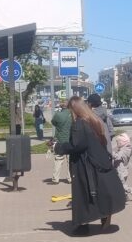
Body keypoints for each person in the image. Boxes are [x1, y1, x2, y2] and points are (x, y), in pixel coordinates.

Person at [52, 96, 126, 234]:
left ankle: (82, 224)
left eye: (70, 110)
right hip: (98, 161)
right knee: (97, 192)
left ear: (74, 109)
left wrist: (58, 147)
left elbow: (77, 145)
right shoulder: (93, 119)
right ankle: (104, 216)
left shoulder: (79, 123)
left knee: (83, 194)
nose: (70, 113)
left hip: (85, 164)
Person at [50, 97, 73, 184]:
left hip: (59, 140)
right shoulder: (72, 115)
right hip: (70, 141)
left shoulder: (57, 115)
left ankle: (55, 179)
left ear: (60, 106)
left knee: (58, 160)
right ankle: (70, 178)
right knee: (70, 160)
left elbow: (53, 123)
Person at [112, 132, 132, 202]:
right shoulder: (124, 148)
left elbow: (117, 157)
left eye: (118, 142)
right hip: (121, 170)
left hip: (121, 170)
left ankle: (131, 190)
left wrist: (111, 153)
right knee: (120, 185)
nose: (117, 144)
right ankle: (125, 197)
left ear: (123, 142)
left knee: (121, 184)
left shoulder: (126, 149)